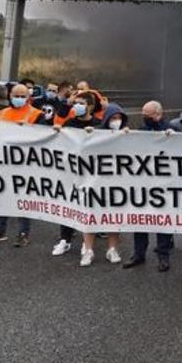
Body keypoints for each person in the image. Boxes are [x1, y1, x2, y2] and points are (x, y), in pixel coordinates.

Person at [0, 84, 42, 247]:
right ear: (9, 95)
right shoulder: (1, 113)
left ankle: (23, 233)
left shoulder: (36, 114)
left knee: (23, 200)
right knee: (2, 198)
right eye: (16, 95)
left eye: (23, 96)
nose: (19, 98)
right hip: (4, 164)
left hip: (26, 166)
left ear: (28, 97)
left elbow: (45, 138)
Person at [50, 90, 104, 257]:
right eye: (76, 103)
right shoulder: (70, 124)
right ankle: (64, 240)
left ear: (91, 106)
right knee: (68, 205)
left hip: (90, 174)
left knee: (87, 207)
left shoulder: (99, 125)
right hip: (71, 173)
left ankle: (85, 242)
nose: (77, 106)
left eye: (82, 103)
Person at [124, 100, 174, 271]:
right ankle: (138, 254)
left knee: (163, 221)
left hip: (164, 184)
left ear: (158, 114)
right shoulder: (142, 130)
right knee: (140, 220)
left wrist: (174, 137)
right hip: (143, 184)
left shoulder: (171, 130)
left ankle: (163, 255)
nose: (144, 117)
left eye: (147, 115)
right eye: (143, 114)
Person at [77, 103, 128, 267]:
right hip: (94, 182)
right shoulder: (95, 131)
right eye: (114, 118)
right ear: (107, 119)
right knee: (90, 216)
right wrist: (87, 135)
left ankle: (112, 249)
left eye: (120, 118)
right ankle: (88, 250)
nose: (117, 121)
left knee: (113, 219)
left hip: (116, 184)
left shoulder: (126, 134)